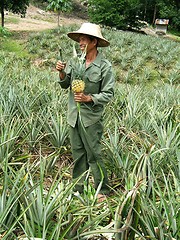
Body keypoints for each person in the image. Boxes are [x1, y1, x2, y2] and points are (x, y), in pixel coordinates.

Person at [56, 22, 115, 201]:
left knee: (94, 155)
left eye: (83, 40)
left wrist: (90, 98)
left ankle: (102, 190)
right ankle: (78, 188)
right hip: (74, 116)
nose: (80, 43)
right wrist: (61, 73)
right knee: (78, 154)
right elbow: (66, 85)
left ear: (94, 42)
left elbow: (109, 94)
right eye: (79, 40)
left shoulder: (104, 66)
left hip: (91, 119)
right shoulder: (74, 62)